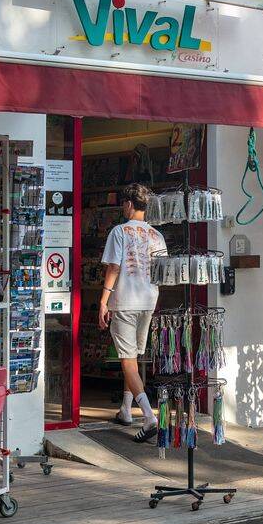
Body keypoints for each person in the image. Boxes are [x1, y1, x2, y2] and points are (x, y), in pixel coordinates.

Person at [98, 183, 166, 441]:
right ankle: (126, 409)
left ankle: (149, 418)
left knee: (127, 361)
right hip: (148, 301)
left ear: (128, 204)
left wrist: (104, 300)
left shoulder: (119, 232)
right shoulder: (157, 236)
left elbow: (113, 268)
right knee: (134, 359)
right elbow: (161, 271)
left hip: (125, 300)